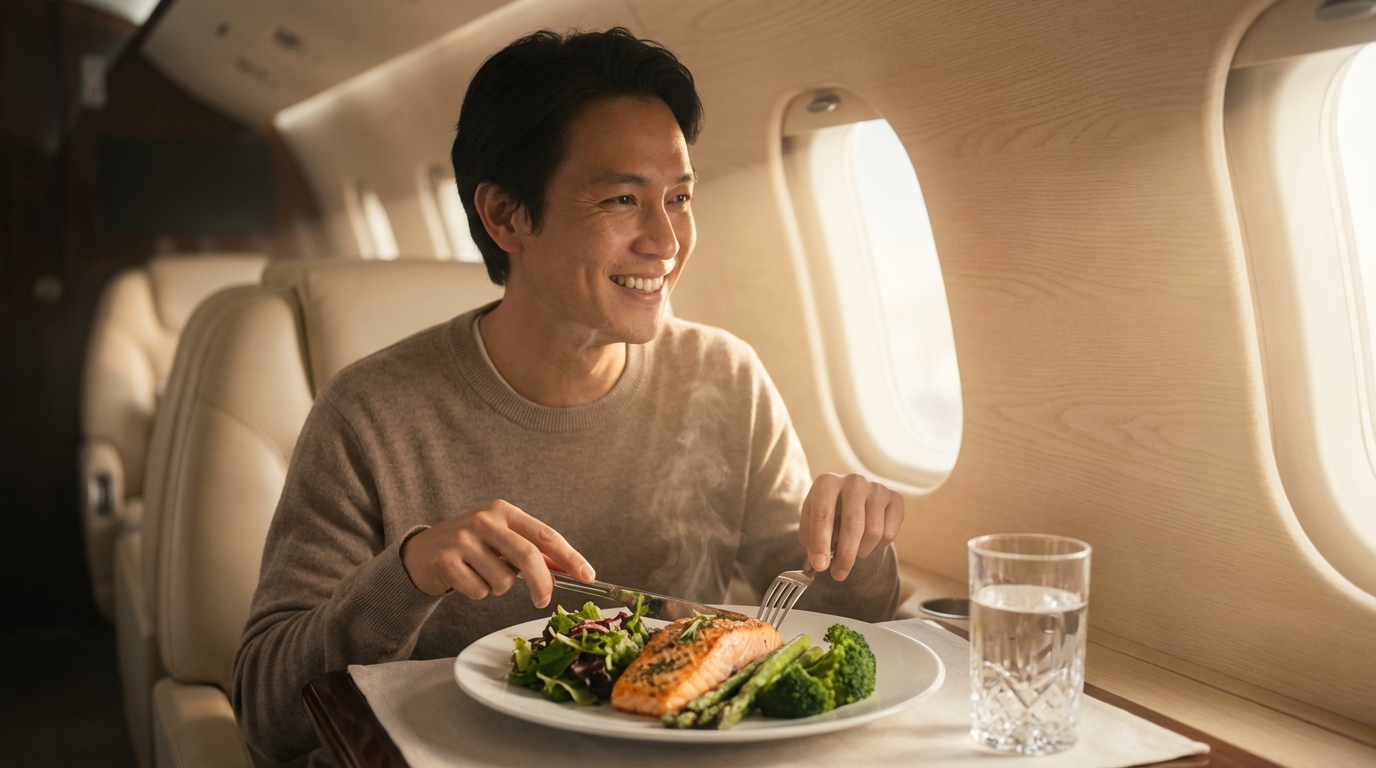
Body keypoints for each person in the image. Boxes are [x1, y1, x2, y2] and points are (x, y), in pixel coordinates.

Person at [232, 27, 905, 762]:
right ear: (506, 217)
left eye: (678, 198)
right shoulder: (369, 415)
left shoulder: (725, 379)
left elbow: (818, 620)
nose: (666, 240)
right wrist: (408, 573)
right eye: (622, 199)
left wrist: (856, 546)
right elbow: (267, 714)